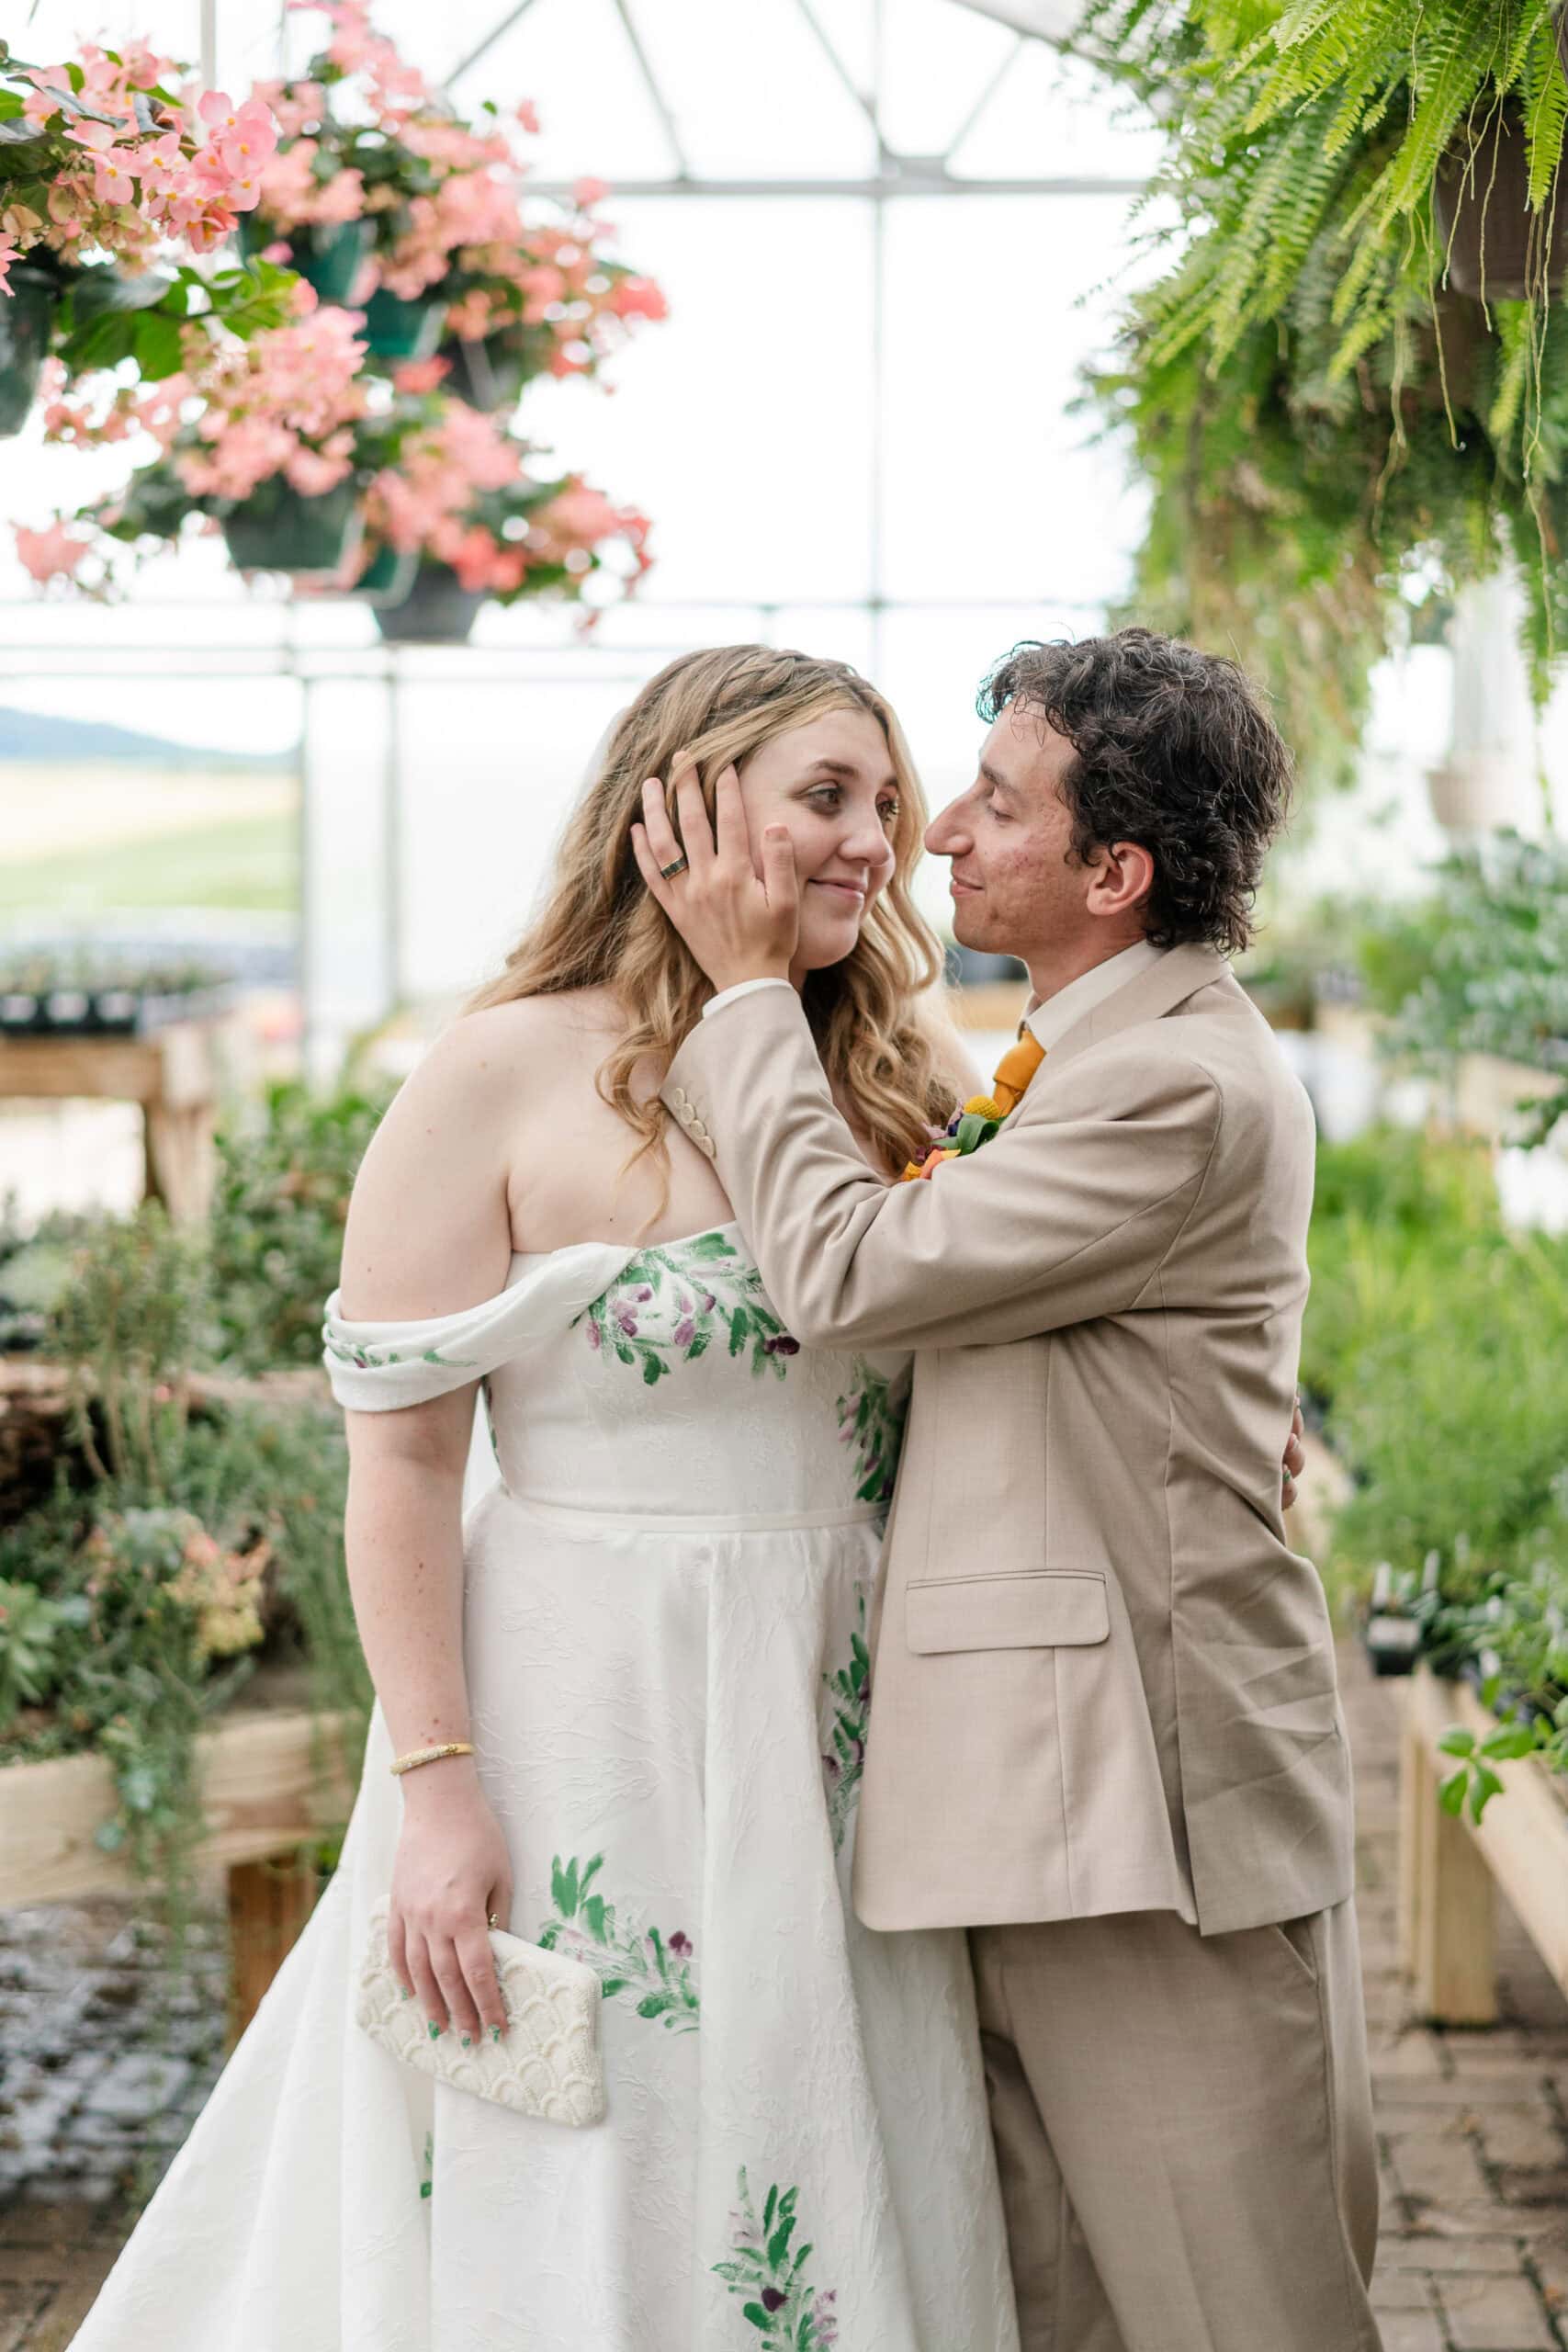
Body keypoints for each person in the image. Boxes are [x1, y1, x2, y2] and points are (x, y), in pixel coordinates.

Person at [65, 646, 1026, 2352]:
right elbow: (407, 1464)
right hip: (581, 1708)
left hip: (845, 1712)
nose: (876, 840)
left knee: (833, 2117)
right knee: (583, 2138)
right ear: (676, 809)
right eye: (826, 797)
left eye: (885, 801)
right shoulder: (497, 1075)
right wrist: (440, 1796)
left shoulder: (904, 1074)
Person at [635, 627, 1380, 2352]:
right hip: (1042, 1800)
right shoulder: (1080, 1054)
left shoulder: (1173, 1080)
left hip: (1144, 1814)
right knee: (1059, 2312)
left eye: (994, 801)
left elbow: (846, 1273)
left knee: (1237, 2313)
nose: (936, 836)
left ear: (1116, 871)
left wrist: (747, 993)